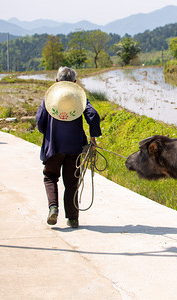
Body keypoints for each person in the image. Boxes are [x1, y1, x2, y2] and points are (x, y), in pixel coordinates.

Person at [36, 66, 102, 228]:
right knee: (72, 182)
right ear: (75, 82)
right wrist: (93, 138)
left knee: (50, 177)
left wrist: (48, 135)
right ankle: (72, 218)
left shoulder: (49, 100)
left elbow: (39, 121)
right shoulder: (79, 100)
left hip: (54, 146)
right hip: (75, 146)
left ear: (57, 81)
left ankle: (53, 208)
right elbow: (93, 116)